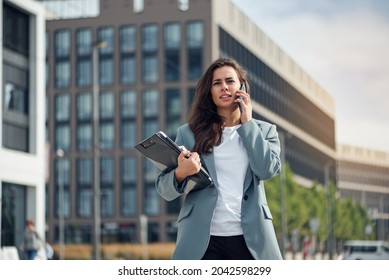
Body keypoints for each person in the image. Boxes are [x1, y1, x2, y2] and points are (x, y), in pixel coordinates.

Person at [155, 57, 283, 260]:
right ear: (210, 92)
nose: (224, 87)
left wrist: (247, 123)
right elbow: (164, 190)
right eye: (217, 83)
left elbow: (267, 170)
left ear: (241, 87)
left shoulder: (264, 131)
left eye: (230, 81)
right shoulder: (188, 134)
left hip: (250, 239)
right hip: (201, 240)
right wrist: (181, 173)